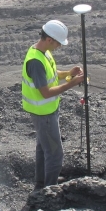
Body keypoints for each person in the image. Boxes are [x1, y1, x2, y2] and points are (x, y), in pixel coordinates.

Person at [21, 19, 85, 188]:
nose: (60, 47)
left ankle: (42, 184)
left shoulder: (42, 52)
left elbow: (52, 73)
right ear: (49, 39)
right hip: (44, 114)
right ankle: (50, 191)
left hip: (46, 111)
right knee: (55, 154)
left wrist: (68, 74)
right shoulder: (35, 61)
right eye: (59, 43)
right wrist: (71, 84)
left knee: (43, 147)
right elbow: (45, 92)